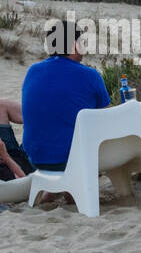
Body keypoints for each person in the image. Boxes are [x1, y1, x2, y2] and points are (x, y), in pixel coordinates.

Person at [18, 18, 110, 171]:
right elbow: (106, 118)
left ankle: (54, 190)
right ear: (75, 45)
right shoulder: (90, 75)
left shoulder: (33, 70)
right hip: (70, 159)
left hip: (35, 159)